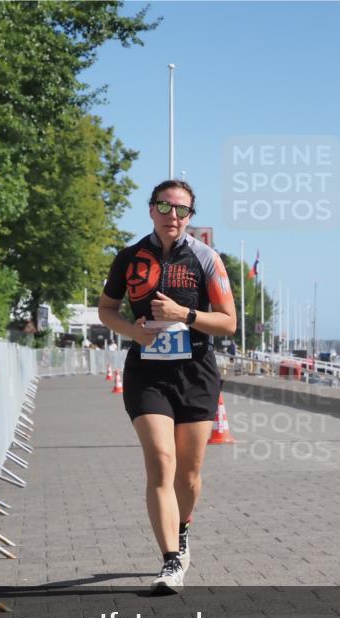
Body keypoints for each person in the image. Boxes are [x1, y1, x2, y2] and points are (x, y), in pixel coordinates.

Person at [98, 179, 237, 593]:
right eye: (164, 206)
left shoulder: (207, 258)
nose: (172, 215)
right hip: (147, 371)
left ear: (191, 216)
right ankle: (171, 559)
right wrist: (133, 333)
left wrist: (184, 313)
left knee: (188, 475)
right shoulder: (129, 258)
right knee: (161, 460)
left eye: (181, 209)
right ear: (151, 209)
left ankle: (184, 526)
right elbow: (107, 310)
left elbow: (228, 323)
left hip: (195, 371)